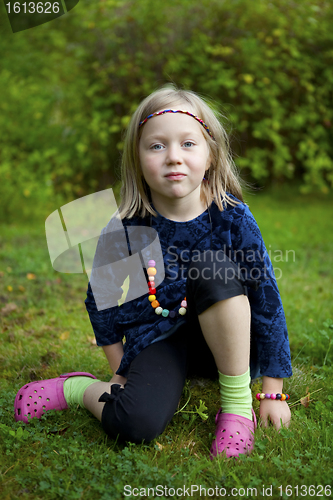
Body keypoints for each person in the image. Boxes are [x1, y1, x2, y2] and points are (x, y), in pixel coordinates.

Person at [14, 85, 292, 459]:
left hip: (230, 339)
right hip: (162, 339)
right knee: (135, 424)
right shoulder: (126, 226)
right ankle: (77, 389)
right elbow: (103, 302)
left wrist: (271, 391)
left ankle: (237, 408)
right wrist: (120, 372)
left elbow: (266, 298)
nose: (173, 157)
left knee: (212, 266)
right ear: (137, 159)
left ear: (210, 155)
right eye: (157, 146)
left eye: (188, 144)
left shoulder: (232, 216)